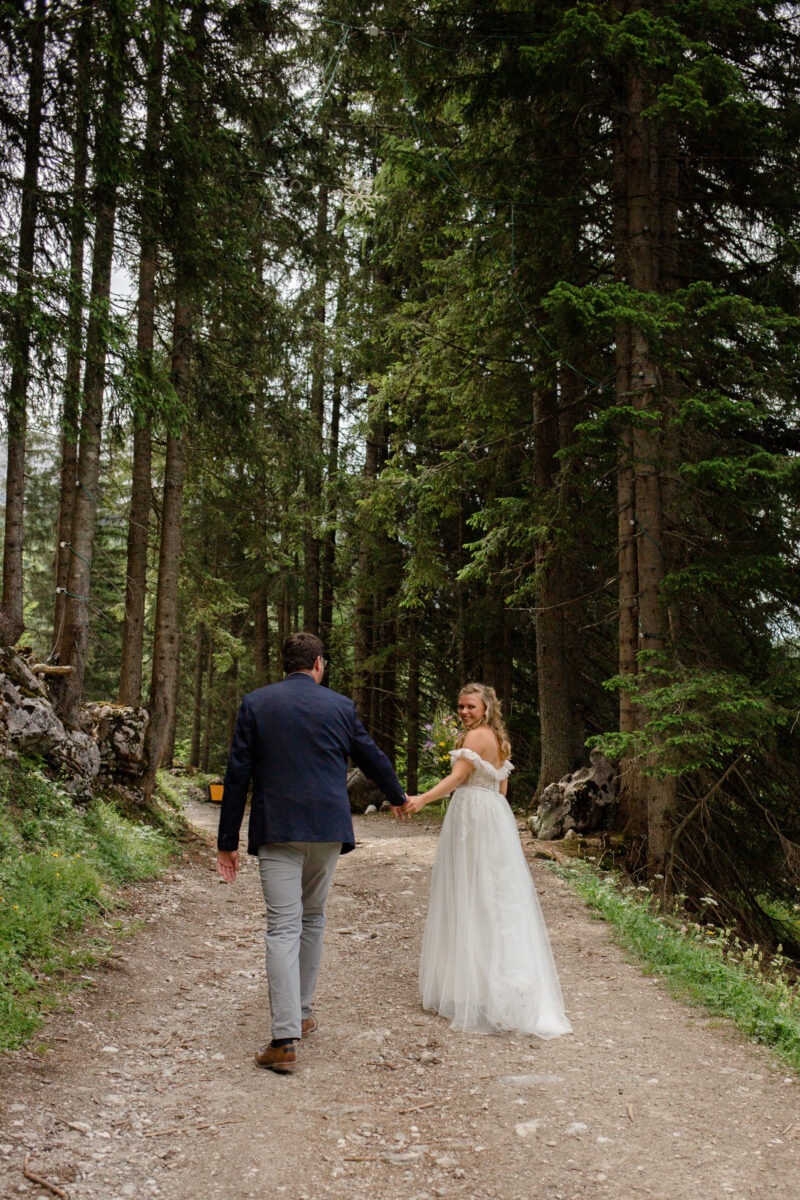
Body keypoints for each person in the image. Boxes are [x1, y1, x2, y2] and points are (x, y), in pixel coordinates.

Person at [216, 632, 407, 1073]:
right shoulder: (338, 706)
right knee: (313, 917)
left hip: (278, 830)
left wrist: (227, 842)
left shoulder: (257, 703)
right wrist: (397, 796)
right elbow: (371, 755)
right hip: (326, 829)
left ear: (287, 664)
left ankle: (285, 1038)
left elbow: (237, 773)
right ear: (318, 664)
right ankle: (300, 1012)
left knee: (283, 926)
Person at [403, 682, 572, 1039]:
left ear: (486, 710)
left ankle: (477, 990)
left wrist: (421, 800)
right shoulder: (497, 740)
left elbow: (457, 777)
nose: (464, 712)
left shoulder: (476, 737)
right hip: (492, 816)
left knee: (471, 893)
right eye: (461, 706)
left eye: (471, 707)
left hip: (473, 819)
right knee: (491, 896)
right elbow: (501, 789)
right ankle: (487, 987)